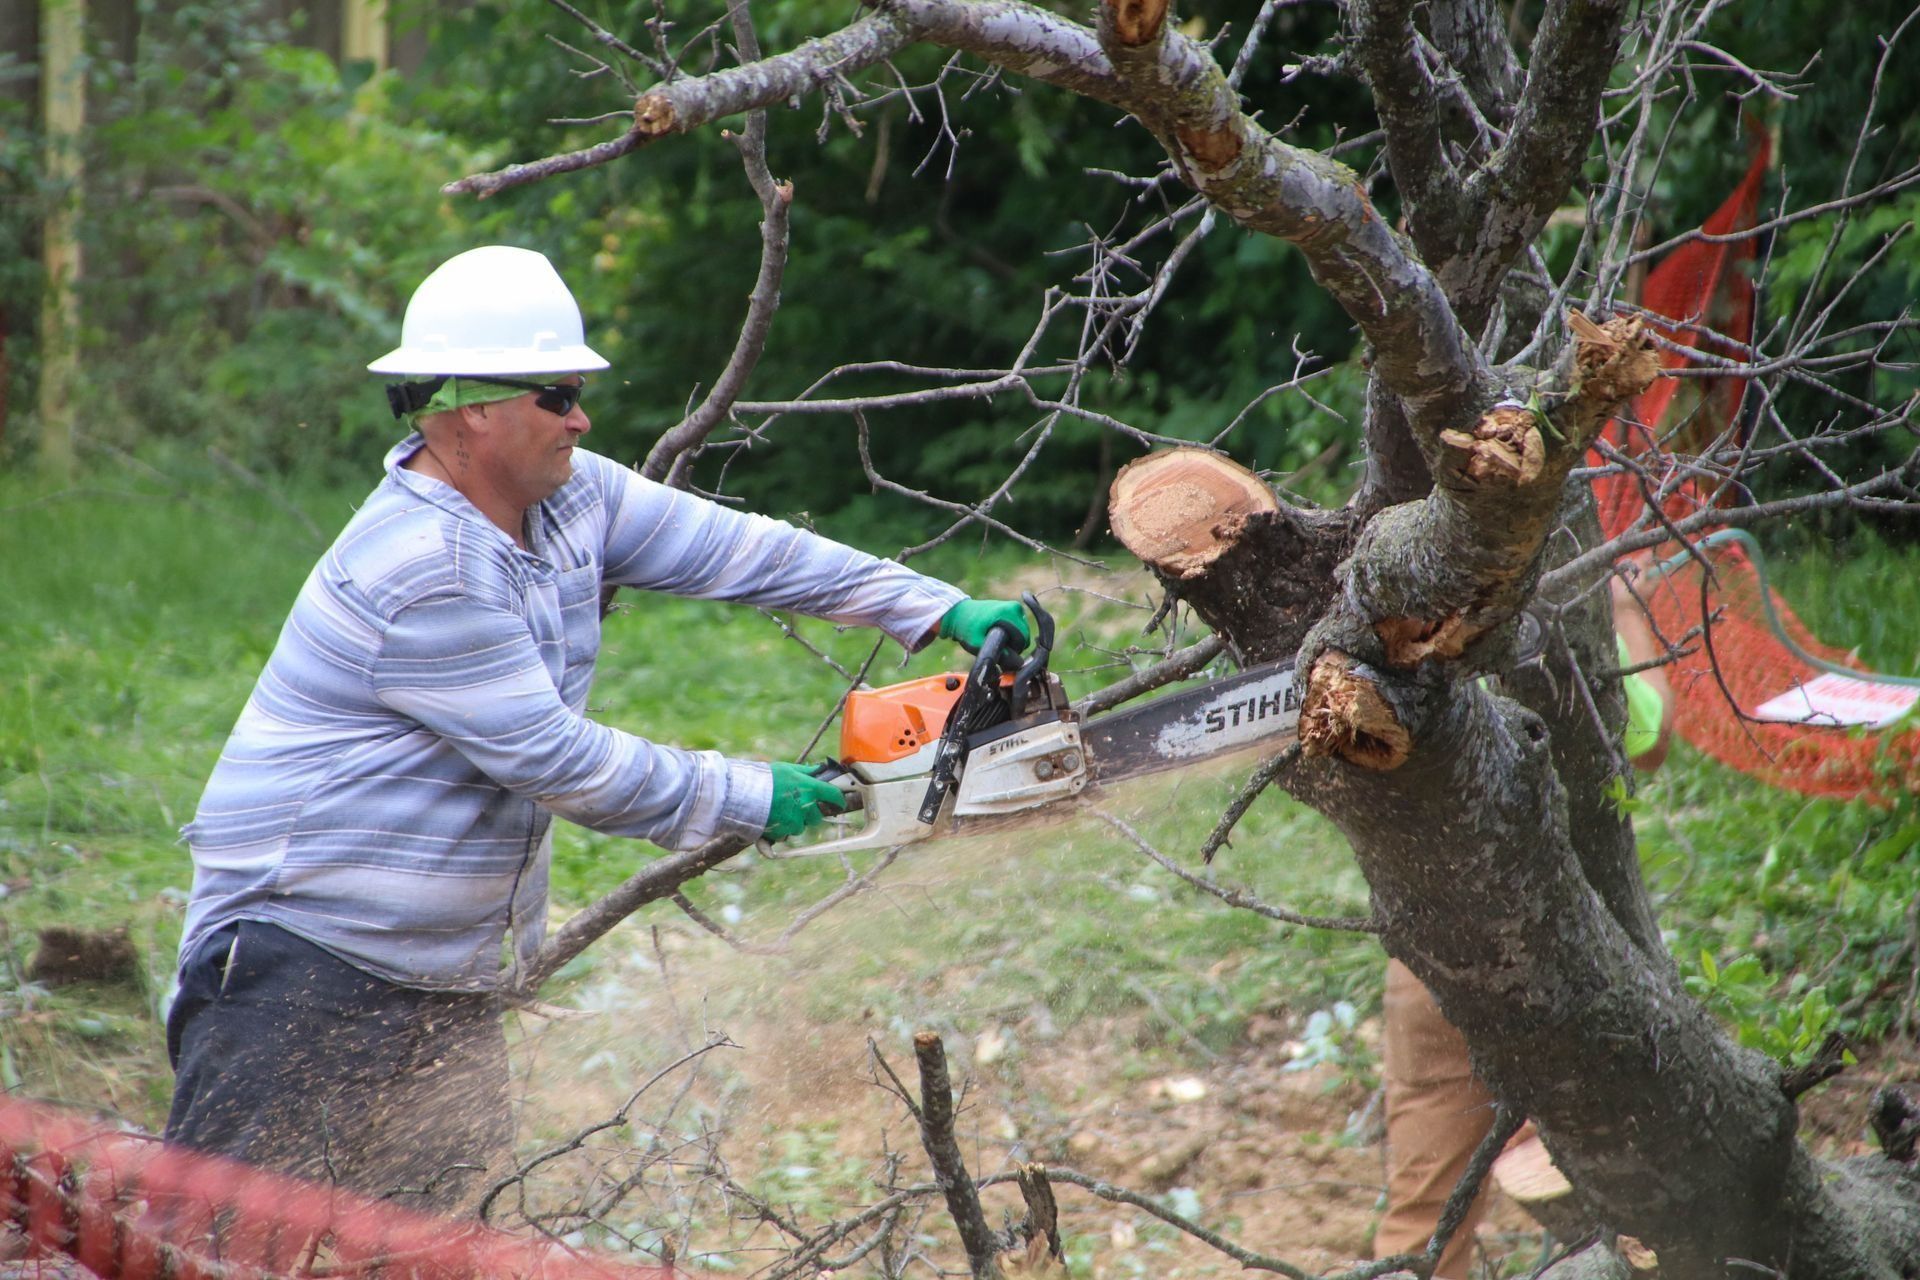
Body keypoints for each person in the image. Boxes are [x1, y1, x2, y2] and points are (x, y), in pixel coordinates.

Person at [163, 245, 1029, 1212]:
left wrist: (930, 606)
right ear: (471, 407)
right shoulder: (424, 564)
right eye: (559, 394)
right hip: (299, 975)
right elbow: (557, 759)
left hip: (443, 979)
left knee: (431, 1246)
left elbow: (748, 551)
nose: (582, 417)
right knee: (214, 1249)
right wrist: (750, 796)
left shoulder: (572, 497)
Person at [1372, 578, 1673, 1276]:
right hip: (1561, 945)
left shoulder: (1398, 614)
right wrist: (1623, 605)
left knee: (1424, 1209)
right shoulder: (1558, 624)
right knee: (1652, 1190)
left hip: (1429, 936)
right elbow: (1651, 735)